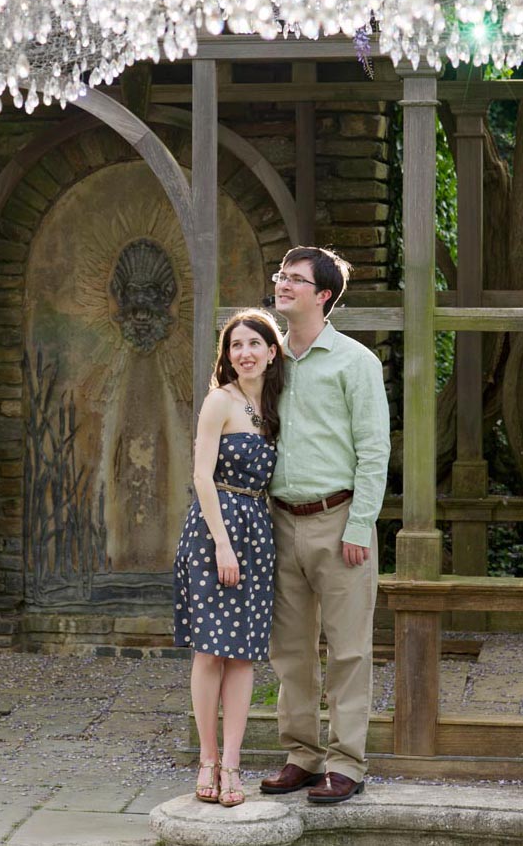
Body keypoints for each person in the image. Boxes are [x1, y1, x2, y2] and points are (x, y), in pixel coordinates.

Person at [259, 246, 390, 805]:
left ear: (324, 295)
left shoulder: (356, 361)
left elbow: (374, 449)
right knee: (289, 650)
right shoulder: (268, 359)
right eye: (280, 276)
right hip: (279, 522)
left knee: (348, 650)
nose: (282, 284)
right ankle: (303, 756)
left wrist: (361, 523)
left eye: (294, 279)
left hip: (340, 524)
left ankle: (348, 764)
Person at [173, 309, 285, 807]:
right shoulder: (220, 400)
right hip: (215, 527)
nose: (244, 353)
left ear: (272, 351)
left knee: (242, 653)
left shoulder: (276, 405)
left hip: (257, 530)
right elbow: (201, 476)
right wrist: (221, 541)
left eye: (254, 344)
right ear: (228, 354)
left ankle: (234, 766)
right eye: (235, 345)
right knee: (210, 650)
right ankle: (207, 759)